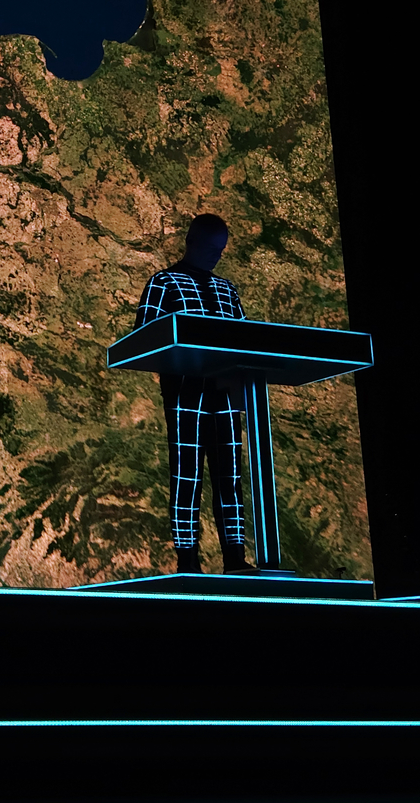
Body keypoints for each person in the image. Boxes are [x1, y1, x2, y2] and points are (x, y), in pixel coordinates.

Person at [135, 214, 254, 575]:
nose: (217, 255)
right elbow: (143, 338)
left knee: (230, 476)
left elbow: (247, 341)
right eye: (211, 247)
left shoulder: (227, 290)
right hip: (186, 393)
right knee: (187, 475)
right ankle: (187, 560)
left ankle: (235, 557)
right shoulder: (164, 283)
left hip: (226, 395)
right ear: (192, 242)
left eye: (221, 249)